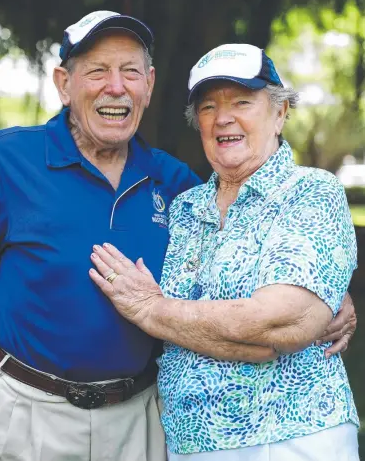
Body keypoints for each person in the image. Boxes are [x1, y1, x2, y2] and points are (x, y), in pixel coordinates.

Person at [89, 43, 360, 461]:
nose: (224, 118)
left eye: (242, 102)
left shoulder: (310, 191)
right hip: (186, 440)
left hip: (289, 438)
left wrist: (153, 311)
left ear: (280, 113)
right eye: (208, 106)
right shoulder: (183, 206)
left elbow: (277, 325)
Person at [0, 10, 203, 461]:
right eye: (97, 71)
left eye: (130, 72)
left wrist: (327, 296)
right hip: (27, 416)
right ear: (64, 84)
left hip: (138, 419)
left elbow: (245, 253)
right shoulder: (10, 159)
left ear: (149, 85)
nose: (116, 87)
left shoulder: (175, 181)